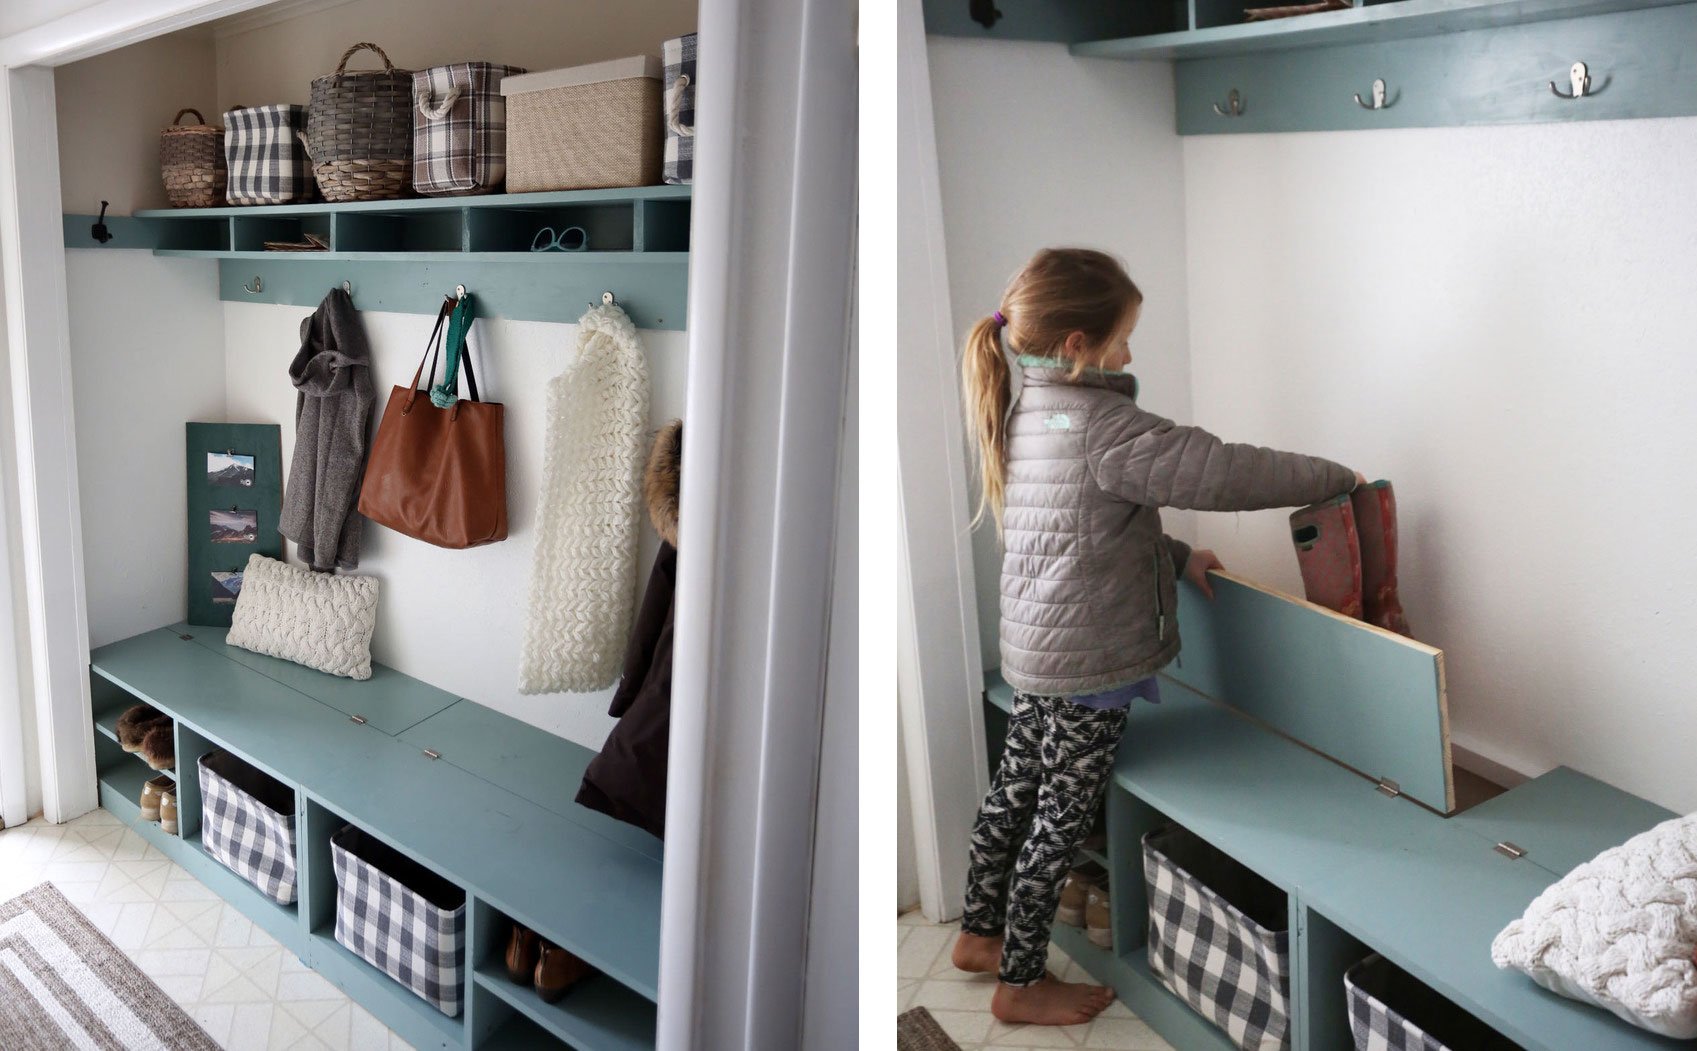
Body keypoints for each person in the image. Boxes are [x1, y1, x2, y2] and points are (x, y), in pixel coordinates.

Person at [951, 247, 1364, 1026]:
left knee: (1013, 793)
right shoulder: (1106, 424)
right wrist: (1332, 476)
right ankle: (1019, 981)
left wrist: (1176, 556)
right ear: (1075, 343)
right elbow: (1222, 470)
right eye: (1120, 337)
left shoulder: (1032, 404)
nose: (1129, 354)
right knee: (1059, 819)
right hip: (1087, 662)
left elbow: (1089, 527)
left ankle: (978, 933)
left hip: (1039, 648)